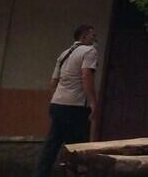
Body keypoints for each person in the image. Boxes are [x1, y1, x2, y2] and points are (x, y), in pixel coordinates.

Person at [33, 24, 100, 177]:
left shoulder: (64, 54)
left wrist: (56, 100)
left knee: (52, 144)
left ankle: (40, 173)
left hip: (58, 104)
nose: (96, 39)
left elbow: (53, 82)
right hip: (76, 106)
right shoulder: (90, 51)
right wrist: (93, 102)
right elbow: (86, 76)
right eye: (93, 36)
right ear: (83, 37)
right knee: (78, 146)